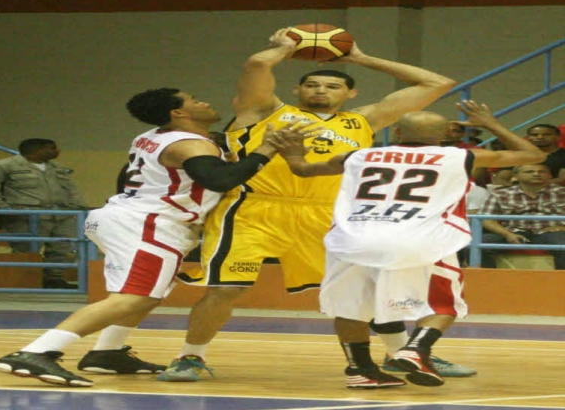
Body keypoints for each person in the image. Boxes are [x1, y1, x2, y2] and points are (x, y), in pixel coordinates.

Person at [160, 27, 476, 386]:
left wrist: (360, 57)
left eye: (331, 86)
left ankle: (402, 354)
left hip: (329, 213)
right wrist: (284, 48)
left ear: (350, 93)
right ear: (297, 89)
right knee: (226, 288)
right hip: (256, 210)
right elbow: (256, 65)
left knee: (369, 289)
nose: (320, 90)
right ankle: (190, 356)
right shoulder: (262, 110)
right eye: (312, 84)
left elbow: (436, 84)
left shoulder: (363, 120)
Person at [0, 87, 285, 387]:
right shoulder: (188, 145)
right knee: (135, 297)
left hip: (134, 218)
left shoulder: (155, 136)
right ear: (178, 113)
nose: (204, 101)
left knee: (147, 296)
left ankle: (107, 353)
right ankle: (36, 352)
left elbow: (128, 176)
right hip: (147, 225)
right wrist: (267, 149)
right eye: (194, 100)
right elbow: (220, 180)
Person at [267, 100, 545, 387]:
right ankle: (416, 349)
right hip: (419, 237)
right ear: (445, 134)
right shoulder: (459, 157)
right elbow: (532, 154)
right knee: (443, 305)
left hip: (353, 237)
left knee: (350, 307)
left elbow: (301, 169)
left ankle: (361, 370)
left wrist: (292, 152)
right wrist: (489, 122)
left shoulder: (358, 155)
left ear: (397, 132)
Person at [0, 139, 87, 289]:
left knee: (62, 248)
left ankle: (53, 280)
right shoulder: (3, 166)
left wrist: (76, 207)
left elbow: (71, 190)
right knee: (26, 250)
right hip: (26, 216)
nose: (57, 151)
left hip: (60, 215)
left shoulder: (57, 168)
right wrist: (5, 210)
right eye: (52, 148)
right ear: (37, 150)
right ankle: (26, 281)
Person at [477, 163, 565, 270]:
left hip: (553, 232)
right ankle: (489, 281)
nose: (536, 174)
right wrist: (507, 234)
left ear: (550, 176)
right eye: (529, 172)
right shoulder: (500, 194)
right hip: (513, 232)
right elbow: (487, 219)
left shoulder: (562, 192)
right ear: (515, 176)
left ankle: (560, 283)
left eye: (542, 172)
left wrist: (563, 228)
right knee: (474, 244)